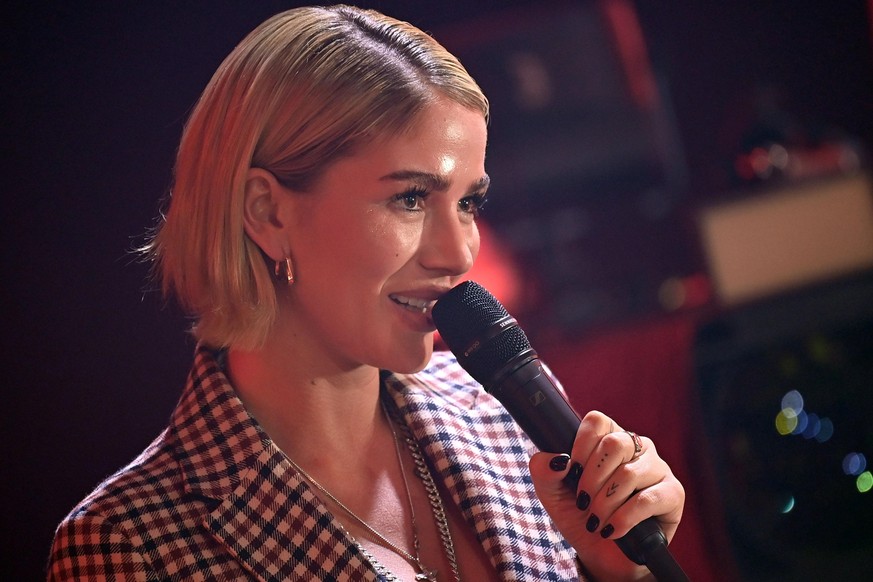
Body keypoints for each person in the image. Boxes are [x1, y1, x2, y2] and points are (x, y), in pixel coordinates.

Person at [48, 5, 684, 581]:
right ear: (267, 212)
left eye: (468, 203)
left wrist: (619, 576)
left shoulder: (499, 418)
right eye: (409, 198)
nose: (461, 252)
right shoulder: (127, 545)